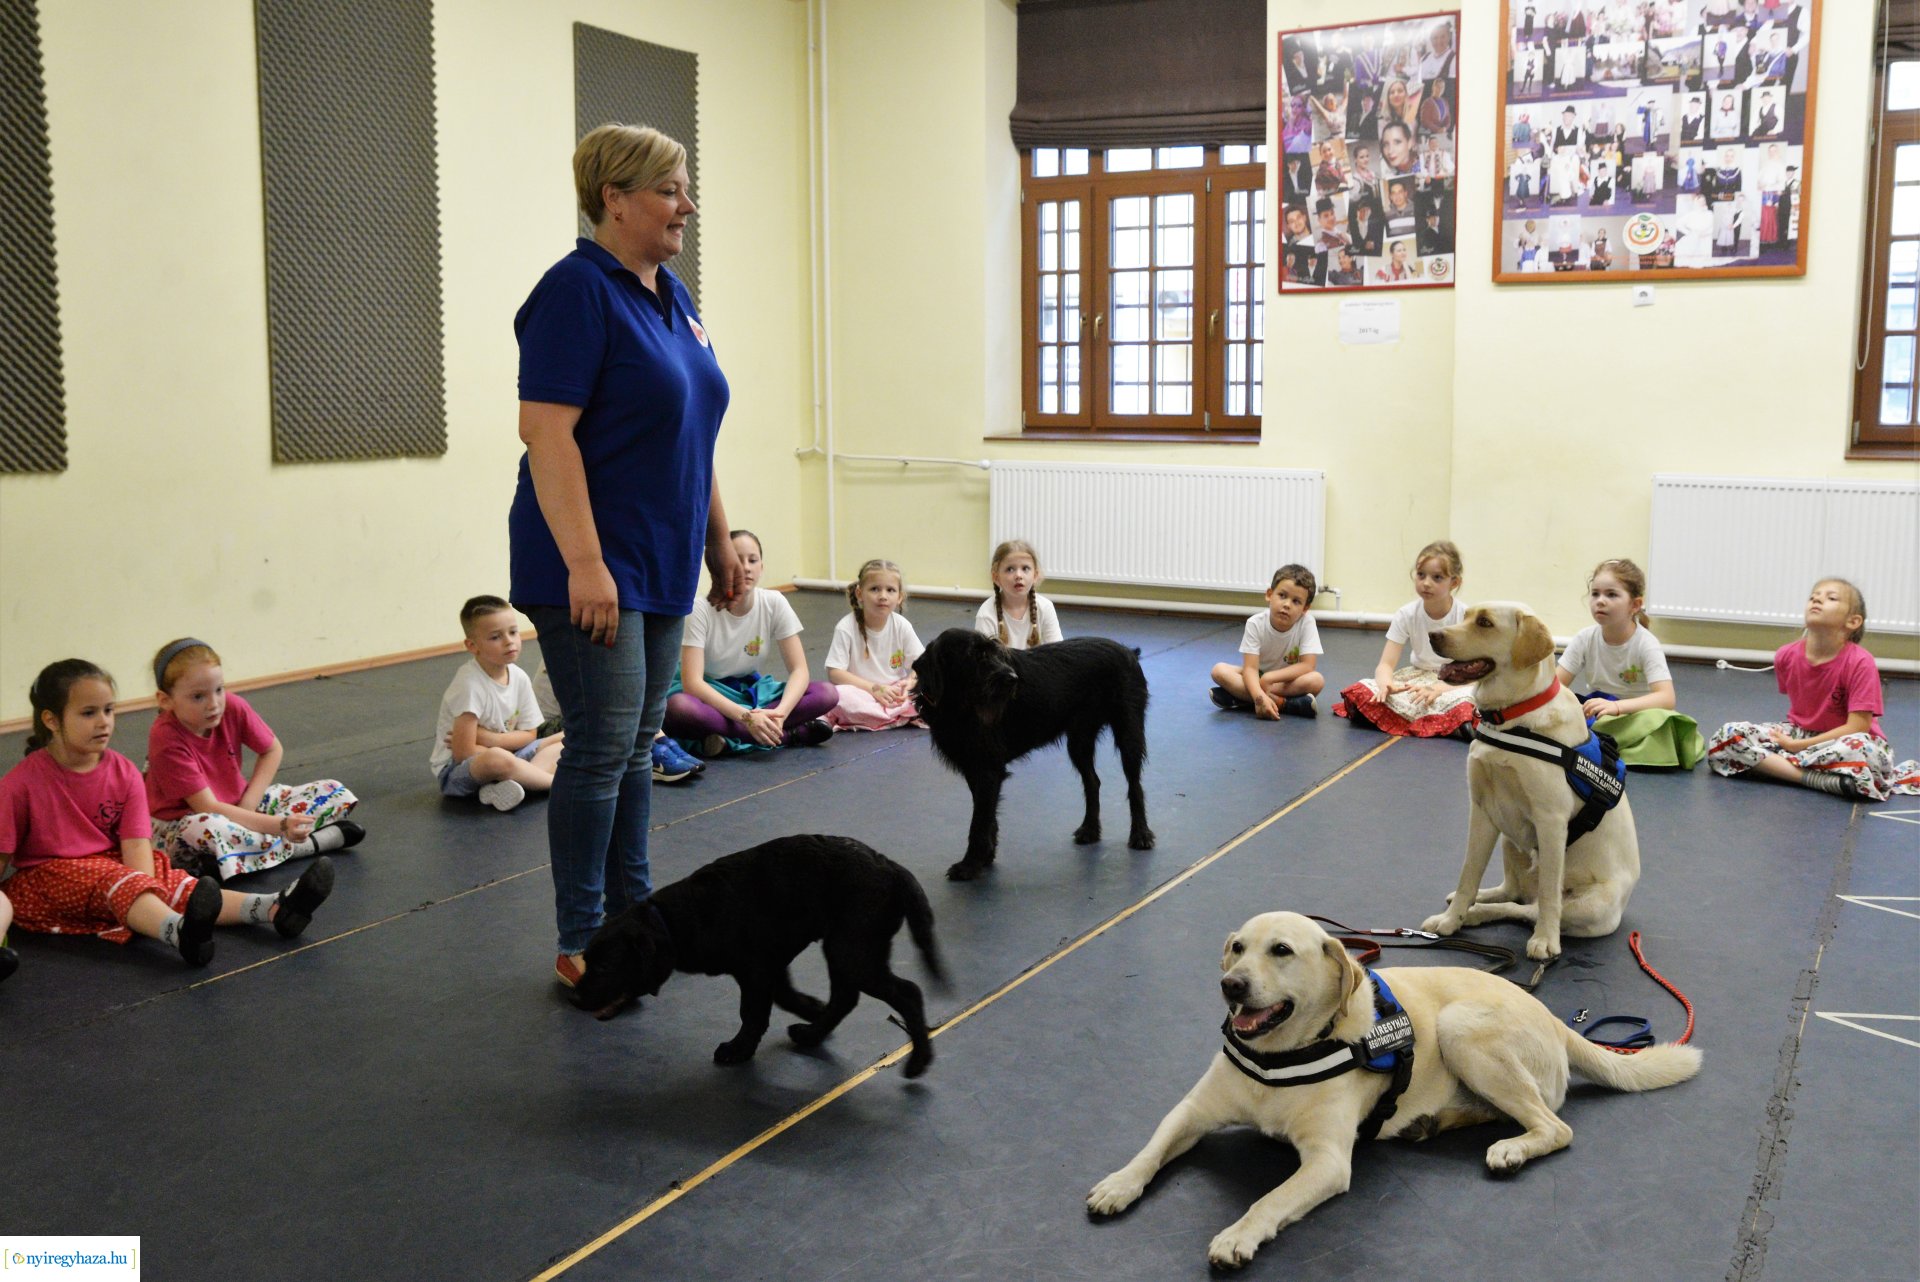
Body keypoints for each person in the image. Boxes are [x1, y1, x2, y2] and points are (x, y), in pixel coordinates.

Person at [511, 123, 745, 991]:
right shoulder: (575, 292)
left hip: (662, 558)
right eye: (671, 189)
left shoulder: (672, 295)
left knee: (639, 740)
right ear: (615, 198)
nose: (687, 205)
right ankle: (583, 939)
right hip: (589, 567)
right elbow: (547, 433)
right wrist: (584, 563)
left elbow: (694, 429)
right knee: (603, 744)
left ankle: (635, 917)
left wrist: (720, 538)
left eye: (686, 188)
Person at [1, 661, 335, 967]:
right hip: (47, 881)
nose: (104, 722)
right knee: (119, 881)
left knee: (174, 882)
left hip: (111, 864)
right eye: (88, 713)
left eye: (108, 710)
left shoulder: (125, 772)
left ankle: (274, 907)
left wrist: (148, 885)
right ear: (51, 720)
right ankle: (177, 931)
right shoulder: (21, 783)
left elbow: (135, 846)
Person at [146, 638, 362, 882]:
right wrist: (280, 825)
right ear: (165, 700)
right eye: (198, 697)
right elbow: (208, 808)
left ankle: (244, 856)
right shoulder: (165, 736)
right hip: (184, 825)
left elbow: (272, 750)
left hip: (240, 808)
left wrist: (249, 803)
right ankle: (307, 846)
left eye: (219, 690)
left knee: (332, 790)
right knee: (207, 827)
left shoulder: (233, 707)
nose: (214, 704)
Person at [1708, 580, 1920, 801]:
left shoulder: (1860, 662)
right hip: (1799, 733)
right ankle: (1813, 778)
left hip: (1844, 739)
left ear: (1853, 621)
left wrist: (1796, 747)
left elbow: (1858, 726)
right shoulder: (1785, 655)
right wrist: (1792, 741)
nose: (1816, 599)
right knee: (1728, 735)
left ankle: (1776, 767)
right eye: (1814, 596)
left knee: (1862, 752)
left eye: (1831, 598)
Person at [661, 529, 838, 758]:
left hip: (749, 692)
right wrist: (747, 718)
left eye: (752, 560)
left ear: (761, 567)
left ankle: (737, 737)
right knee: (679, 708)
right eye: (737, 560)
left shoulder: (774, 602)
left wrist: (781, 714)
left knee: (827, 693)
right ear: (721, 566)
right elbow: (693, 684)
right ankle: (789, 736)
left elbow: (799, 671)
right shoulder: (700, 609)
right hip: (707, 693)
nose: (745, 567)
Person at [1554, 559, 1704, 768]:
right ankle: (1608, 743)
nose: (1600, 601)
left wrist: (1617, 707)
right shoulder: (1584, 638)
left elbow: (1666, 698)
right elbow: (1555, 686)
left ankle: (1602, 744)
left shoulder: (1646, 643)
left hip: (1638, 714)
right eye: (1595, 593)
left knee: (1663, 724)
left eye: (1611, 594)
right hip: (1600, 710)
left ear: (1635, 605)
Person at [429, 597, 564, 812]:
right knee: (497, 759)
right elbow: (463, 752)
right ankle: (554, 784)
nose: (509, 641)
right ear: (472, 646)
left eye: (513, 632)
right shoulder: (469, 685)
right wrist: (507, 755)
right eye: (495, 637)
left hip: (511, 754)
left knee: (565, 738)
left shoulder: (518, 677)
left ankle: (514, 784)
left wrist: (491, 739)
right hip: (461, 770)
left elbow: (530, 735)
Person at [1335, 540, 1477, 738]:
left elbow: (1472, 674)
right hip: (1418, 678)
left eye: (1437, 577)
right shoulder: (1406, 614)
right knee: (1363, 690)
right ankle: (1447, 722)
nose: (1426, 583)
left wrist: (1439, 688)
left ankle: (1459, 720)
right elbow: (1385, 664)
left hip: (1454, 682)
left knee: (1468, 700)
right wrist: (1386, 685)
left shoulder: (1465, 616)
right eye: (1421, 575)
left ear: (1454, 582)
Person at [1208, 565, 1324, 719]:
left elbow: (1307, 665)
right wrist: (1259, 694)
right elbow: (1250, 668)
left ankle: (1241, 698)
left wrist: (1270, 678)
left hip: (1284, 681)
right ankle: (1284, 704)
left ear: (1305, 608)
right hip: (1257, 675)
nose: (1287, 605)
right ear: (1270, 594)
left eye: (1296, 601)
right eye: (1282, 595)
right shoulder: (1255, 623)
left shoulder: (1307, 623)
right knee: (1219, 670)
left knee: (1316, 680)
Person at [824, 558, 925, 731]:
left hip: (894, 694)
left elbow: (923, 664)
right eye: (874, 589)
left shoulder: (902, 625)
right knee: (837, 696)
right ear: (859, 593)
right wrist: (874, 689)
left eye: (890, 590)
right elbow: (835, 673)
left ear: (899, 597)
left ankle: (880, 716)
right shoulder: (846, 627)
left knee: (933, 691)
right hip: (862, 693)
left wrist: (911, 681)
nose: (883, 596)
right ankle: (895, 716)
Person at [975, 539, 1062, 650]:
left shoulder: (1045, 607)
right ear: (996, 577)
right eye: (1010, 569)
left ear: (1035, 575)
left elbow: (1058, 652)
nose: (1018, 575)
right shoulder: (986, 614)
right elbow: (984, 661)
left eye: (1025, 568)